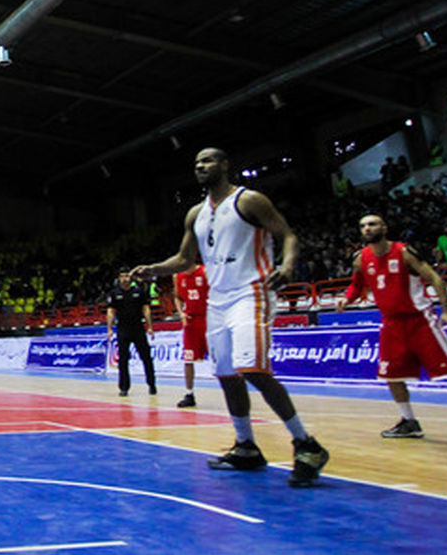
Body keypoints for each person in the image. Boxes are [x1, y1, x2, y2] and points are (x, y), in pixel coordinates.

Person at [130, 147, 329, 488]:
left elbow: (288, 234)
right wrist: (152, 269)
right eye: (196, 163)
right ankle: (246, 446)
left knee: (252, 368)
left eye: (207, 161)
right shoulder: (195, 213)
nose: (200, 167)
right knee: (226, 375)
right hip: (217, 300)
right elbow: (184, 258)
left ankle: (306, 444)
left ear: (224, 164)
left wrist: (288, 264)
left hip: (251, 292)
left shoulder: (249, 200)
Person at [337, 214, 447, 438]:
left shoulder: (403, 252)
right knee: (391, 376)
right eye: (363, 226)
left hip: (419, 320)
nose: (367, 229)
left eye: (372, 224)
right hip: (391, 324)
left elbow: (436, 279)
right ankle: (409, 421)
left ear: (384, 227)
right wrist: (347, 299)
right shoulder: (360, 258)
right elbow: (357, 286)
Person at [106, 271, 155, 397]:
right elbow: (111, 311)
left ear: (131, 277)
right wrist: (109, 329)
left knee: (146, 357)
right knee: (123, 360)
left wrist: (150, 327)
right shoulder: (114, 293)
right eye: (122, 276)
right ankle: (124, 387)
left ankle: (151, 384)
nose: (124, 278)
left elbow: (146, 309)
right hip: (123, 328)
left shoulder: (139, 292)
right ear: (119, 278)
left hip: (138, 327)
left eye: (127, 276)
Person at [173, 264, 209, 408]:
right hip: (191, 321)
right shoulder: (177, 276)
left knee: (221, 358)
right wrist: (181, 312)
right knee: (188, 359)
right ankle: (189, 393)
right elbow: (177, 297)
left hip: (209, 318)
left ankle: (232, 392)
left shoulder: (205, 271)